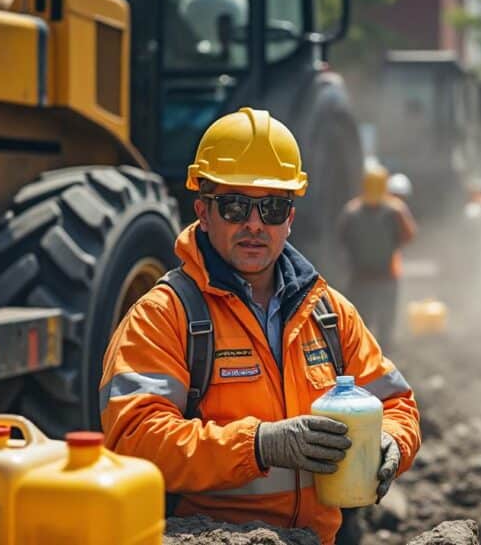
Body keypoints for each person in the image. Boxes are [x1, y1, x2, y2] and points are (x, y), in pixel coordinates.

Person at [99, 108, 421, 545]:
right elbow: (133, 440)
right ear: (203, 211)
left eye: (272, 207)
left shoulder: (328, 313)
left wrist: (393, 442)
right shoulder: (164, 316)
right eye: (235, 206)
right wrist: (258, 444)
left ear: (290, 218)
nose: (254, 223)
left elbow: (396, 403)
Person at [337, 165, 417, 348]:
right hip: (385, 275)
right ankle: (382, 353)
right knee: (383, 323)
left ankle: (364, 354)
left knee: (362, 322)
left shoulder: (351, 211)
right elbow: (409, 235)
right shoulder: (396, 210)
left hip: (361, 276)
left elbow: (341, 238)